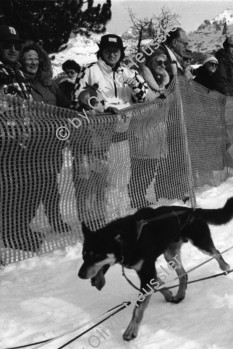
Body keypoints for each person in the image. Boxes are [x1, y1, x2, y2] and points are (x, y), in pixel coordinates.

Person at [70, 34, 148, 227]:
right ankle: (94, 224)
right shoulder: (90, 71)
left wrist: (134, 84)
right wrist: (102, 108)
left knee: (119, 180)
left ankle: (118, 219)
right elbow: (76, 100)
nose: (112, 54)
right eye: (108, 50)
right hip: (96, 138)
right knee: (93, 182)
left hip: (121, 135)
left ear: (121, 52)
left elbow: (143, 97)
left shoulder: (127, 72)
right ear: (101, 51)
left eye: (116, 50)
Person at [20, 41, 71, 235]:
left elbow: (65, 107)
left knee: (51, 185)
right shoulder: (18, 85)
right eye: (28, 59)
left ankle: (56, 220)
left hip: (51, 144)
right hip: (29, 145)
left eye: (35, 58)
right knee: (31, 187)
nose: (32, 62)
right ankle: (22, 224)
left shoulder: (50, 84)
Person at [0, 24, 42, 251]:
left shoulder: (16, 71)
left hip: (25, 142)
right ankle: (11, 234)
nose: (14, 49)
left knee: (28, 188)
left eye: (17, 45)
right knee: (12, 190)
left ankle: (20, 228)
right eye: (7, 45)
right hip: (6, 144)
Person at [129, 49, 170, 208]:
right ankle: (135, 197)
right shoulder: (140, 81)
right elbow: (134, 106)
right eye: (158, 61)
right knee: (140, 169)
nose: (162, 65)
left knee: (151, 169)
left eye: (164, 62)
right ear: (149, 62)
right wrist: (156, 104)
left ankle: (141, 195)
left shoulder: (162, 83)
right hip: (142, 133)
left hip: (158, 133)